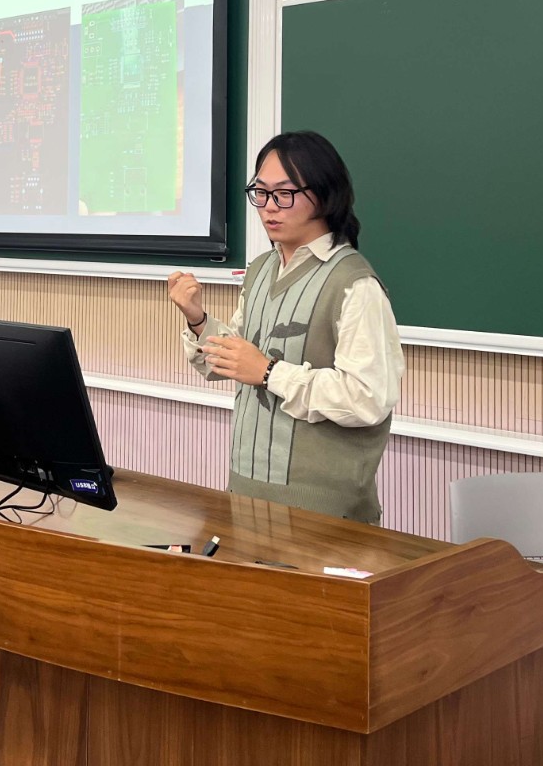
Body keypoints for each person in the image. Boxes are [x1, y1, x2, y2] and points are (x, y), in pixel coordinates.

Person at [167, 131, 405, 523]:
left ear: (324, 195)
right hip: (247, 492)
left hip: (325, 512)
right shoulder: (261, 269)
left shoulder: (355, 284)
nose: (268, 208)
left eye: (284, 194)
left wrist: (269, 372)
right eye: (260, 193)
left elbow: (367, 399)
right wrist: (197, 319)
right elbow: (231, 362)